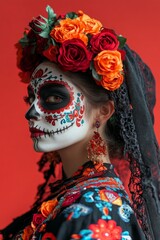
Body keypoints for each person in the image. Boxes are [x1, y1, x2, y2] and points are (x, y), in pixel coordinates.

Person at [1, 5, 160, 240]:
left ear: (103, 111)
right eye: (31, 98)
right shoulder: (74, 195)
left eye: (53, 97)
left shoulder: (96, 214)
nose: (31, 112)